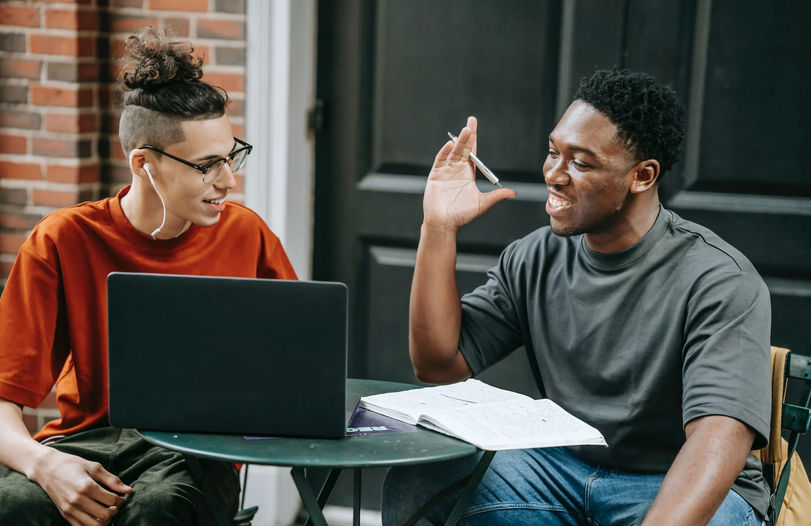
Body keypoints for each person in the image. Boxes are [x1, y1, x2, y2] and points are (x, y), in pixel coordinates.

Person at [383, 69, 771, 526]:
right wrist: (438, 227)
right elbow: (437, 364)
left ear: (642, 176)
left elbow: (716, 438)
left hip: (667, 481)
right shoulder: (535, 257)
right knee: (422, 484)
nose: (554, 174)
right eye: (553, 153)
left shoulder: (718, 278)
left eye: (581, 163)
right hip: (560, 471)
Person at [0, 27, 296, 526]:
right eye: (207, 165)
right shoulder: (61, 239)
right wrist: (44, 464)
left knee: (159, 509)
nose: (229, 179)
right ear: (144, 163)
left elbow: (295, 369)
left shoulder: (247, 236)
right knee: (14, 504)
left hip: (197, 454)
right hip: (82, 442)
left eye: (231, 155)